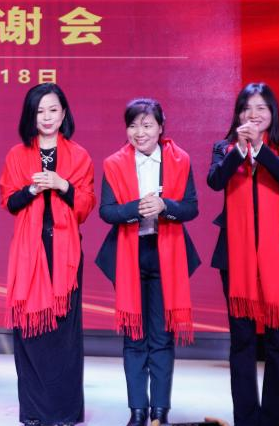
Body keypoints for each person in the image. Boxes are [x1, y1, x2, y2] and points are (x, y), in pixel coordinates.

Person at [95, 98, 199, 426]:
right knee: (134, 336)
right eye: (133, 125)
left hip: (167, 254)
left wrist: (165, 206)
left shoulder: (180, 160)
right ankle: (138, 411)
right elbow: (106, 211)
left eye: (147, 125)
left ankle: (160, 412)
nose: (139, 133)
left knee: (162, 337)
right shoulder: (114, 163)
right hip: (129, 255)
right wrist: (135, 208)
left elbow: (191, 207)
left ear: (160, 127)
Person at [207, 82, 279, 426]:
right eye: (247, 108)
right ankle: (247, 419)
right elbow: (215, 181)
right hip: (236, 257)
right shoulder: (224, 148)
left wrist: (259, 149)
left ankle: (273, 419)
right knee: (242, 341)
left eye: (261, 108)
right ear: (238, 114)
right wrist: (240, 149)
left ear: (272, 113)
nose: (253, 114)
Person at [0, 84, 95, 426]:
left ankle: (65, 413)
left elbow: (85, 206)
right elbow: (10, 202)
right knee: (30, 332)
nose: (47, 117)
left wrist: (62, 185)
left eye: (53, 109)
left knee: (64, 336)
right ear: (31, 116)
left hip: (65, 254)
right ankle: (34, 412)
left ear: (64, 113)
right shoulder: (17, 155)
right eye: (40, 111)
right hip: (29, 252)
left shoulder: (79, 156)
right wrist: (32, 189)